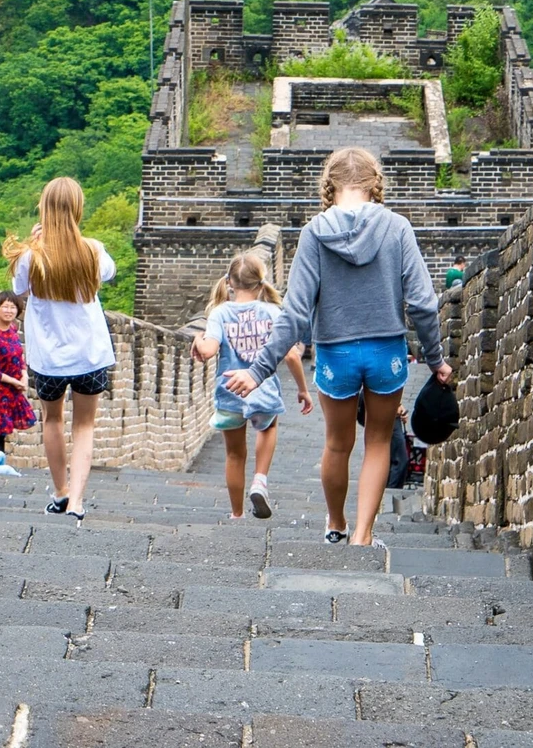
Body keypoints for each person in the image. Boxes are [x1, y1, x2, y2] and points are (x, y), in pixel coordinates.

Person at [224, 147, 452, 549]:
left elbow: (295, 312)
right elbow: (422, 303)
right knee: (378, 441)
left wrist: (257, 370)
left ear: (329, 185)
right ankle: (363, 536)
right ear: (374, 184)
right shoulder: (397, 228)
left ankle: (336, 524)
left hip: (335, 356)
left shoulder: (315, 232)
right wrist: (435, 359)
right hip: (386, 353)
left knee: (336, 443)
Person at [3, 177, 116, 522]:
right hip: (89, 354)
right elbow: (109, 275)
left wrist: (35, 245)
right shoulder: (93, 250)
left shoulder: (30, 257)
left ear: (45, 209)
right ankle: (78, 502)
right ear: (78, 209)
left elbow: (17, 288)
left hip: (49, 357)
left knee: (52, 420)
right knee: (85, 425)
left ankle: (60, 492)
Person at [191, 253, 311, 520]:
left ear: (230, 283)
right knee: (268, 428)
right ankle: (260, 480)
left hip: (230, 391)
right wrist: (303, 390)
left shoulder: (220, 313)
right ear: (261, 282)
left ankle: (236, 514)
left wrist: (198, 340)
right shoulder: (272, 311)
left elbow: (209, 350)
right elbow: (291, 354)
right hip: (264, 391)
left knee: (234, 454)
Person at [0, 291, 36, 454]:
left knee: (1, 436)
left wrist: (24, 375)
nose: (9, 311)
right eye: (5, 307)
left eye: (13, 307)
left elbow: (19, 357)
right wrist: (13, 381)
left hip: (10, 395)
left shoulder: (13, 332)